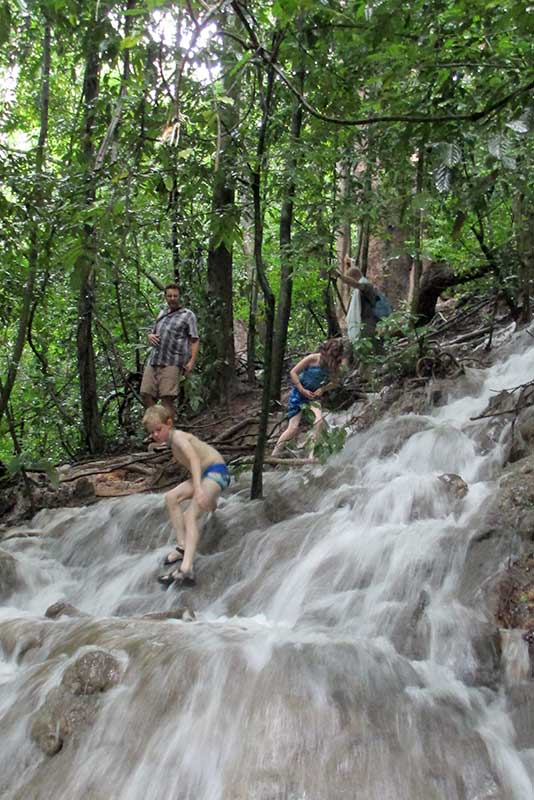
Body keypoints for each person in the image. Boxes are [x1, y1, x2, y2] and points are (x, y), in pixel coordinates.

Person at [142, 406, 230, 587]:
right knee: (171, 497)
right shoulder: (172, 443)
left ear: (169, 424)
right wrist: (209, 499)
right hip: (206, 475)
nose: (156, 435)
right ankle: (182, 546)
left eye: (159, 430)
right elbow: (194, 467)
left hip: (217, 472)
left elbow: (195, 460)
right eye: (152, 433)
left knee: (190, 516)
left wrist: (198, 489)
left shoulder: (179, 438)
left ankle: (186, 569)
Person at [271, 338, 345, 458]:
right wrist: (301, 389)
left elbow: (335, 382)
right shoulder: (313, 358)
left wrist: (322, 389)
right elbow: (293, 372)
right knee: (293, 428)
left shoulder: (334, 365)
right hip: (299, 394)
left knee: (319, 421)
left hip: (313, 397)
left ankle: (312, 454)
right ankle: (275, 453)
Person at [140, 283, 199, 419]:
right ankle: (158, 426)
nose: (172, 298)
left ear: (179, 297)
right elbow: (153, 332)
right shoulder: (162, 313)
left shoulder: (188, 315)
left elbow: (194, 339)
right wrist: (150, 336)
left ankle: (168, 432)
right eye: (169, 296)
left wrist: (191, 361)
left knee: (167, 398)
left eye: (175, 296)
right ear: (165, 297)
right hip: (155, 359)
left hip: (173, 361)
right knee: (146, 393)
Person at [335, 256, 378, 340]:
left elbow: (357, 285)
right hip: (365, 321)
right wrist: (349, 264)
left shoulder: (365, 285)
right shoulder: (361, 287)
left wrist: (339, 276)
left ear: (353, 278)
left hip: (367, 322)